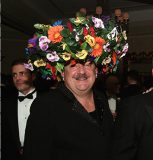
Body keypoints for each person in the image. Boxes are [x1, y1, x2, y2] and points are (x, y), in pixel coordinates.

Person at [22, 11, 128, 160]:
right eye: (73, 66)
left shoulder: (100, 97)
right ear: (62, 73)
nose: (82, 72)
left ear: (96, 70)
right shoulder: (46, 105)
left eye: (88, 64)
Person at [1, 58, 37, 160]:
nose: (17, 78)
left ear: (32, 76)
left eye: (22, 73)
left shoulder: (47, 101)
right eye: (14, 75)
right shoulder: (5, 104)